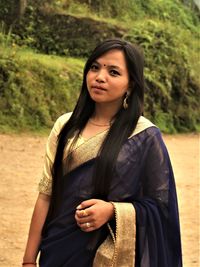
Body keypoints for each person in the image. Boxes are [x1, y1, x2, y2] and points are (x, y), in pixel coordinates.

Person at [22, 39, 182, 267]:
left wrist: (113, 211)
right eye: (94, 67)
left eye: (113, 72)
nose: (99, 77)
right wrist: (29, 260)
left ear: (131, 85)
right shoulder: (66, 126)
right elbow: (46, 194)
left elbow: (161, 207)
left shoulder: (144, 136)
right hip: (57, 250)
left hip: (107, 255)